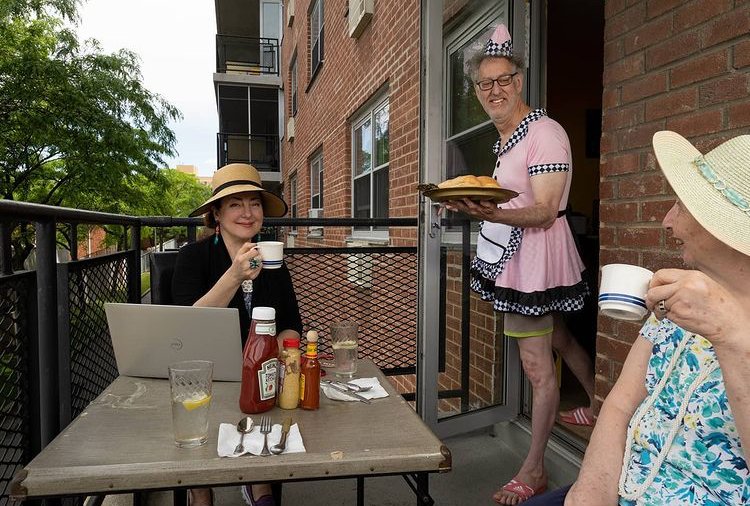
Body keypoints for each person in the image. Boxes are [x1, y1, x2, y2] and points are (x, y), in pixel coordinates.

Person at [524, 131, 750, 505]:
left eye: (681, 205)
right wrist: (589, 494)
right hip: (621, 485)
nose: (666, 220)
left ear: (724, 228)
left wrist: (730, 336)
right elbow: (620, 403)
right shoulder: (679, 300)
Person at [444, 24, 595, 504]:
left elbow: (547, 210)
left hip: (533, 263)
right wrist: (479, 206)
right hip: (519, 257)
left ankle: (534, 470)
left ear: (519, 79)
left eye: (503, 79)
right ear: (476, 91)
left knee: (536, 366)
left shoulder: (544, 133)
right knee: (560, 337)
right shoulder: (509, 138)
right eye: (485, 83)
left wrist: (491, 212)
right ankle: (599, 401)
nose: (495, 90)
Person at [172, 163, 303, 506]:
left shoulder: (272, 261)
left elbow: (291, 321)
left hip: (261, 373)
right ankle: (200, 489)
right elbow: (187, 327)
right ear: (216, 213)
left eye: (255, 203)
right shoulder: (192, 257)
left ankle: (257, 482)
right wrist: (233, 276)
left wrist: (286, 358)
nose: (248, 213)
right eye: (235, 203)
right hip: (205, 372)